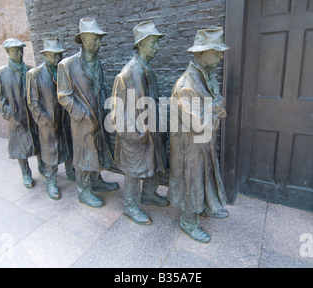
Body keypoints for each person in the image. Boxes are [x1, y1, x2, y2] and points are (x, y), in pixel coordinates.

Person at [168, 27, 230, 243]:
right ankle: (188, 220)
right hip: (190, 146)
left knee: (208, 174)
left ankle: (210, 205)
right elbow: (198, 122)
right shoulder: (186, 85)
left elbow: (214, 105)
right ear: (201, 54)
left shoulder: (208, 76)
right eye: (216, 51)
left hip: (203, 142)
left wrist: (214, 107)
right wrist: (216, 108)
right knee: (192, 180)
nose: (221, 56)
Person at [111, 21, 169, 226]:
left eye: (156, 43)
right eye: (153, 43)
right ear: (141, 44)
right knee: (134, 172)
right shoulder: (128, 73)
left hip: (151, 131)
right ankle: (130, 206)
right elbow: (117, 113)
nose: (157, 48)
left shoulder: (147, 70)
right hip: (135, 136)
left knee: (152, 165)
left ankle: (150, 194)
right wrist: (136, 134)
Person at [57, 18, 118, 207]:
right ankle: (83, 191)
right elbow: (63, 96)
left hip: (99, 115)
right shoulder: (67, 65)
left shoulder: (97, 61)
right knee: (84, 155)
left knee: (97, 150)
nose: (99, 43)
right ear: (83, 38)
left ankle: (97, 180)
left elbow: (99, 88)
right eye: (95, 39)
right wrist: (82, 115)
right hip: (82, 121)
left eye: (99, 39)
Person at [0, 38, 45, 189]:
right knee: (20, 147)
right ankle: (26, 173)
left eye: (21, 50)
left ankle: (42, 167)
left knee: (38, 141)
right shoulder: (0, 73)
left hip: (32, 114)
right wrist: (9, 114)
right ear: (7, 52)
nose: (19, 53)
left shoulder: (30, 69)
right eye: (15, 50)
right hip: (16, 116)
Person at [26, 38, 75, 200]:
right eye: (53, 55)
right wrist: (44, 120)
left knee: (68, 146)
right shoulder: (35, 74)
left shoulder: (63, 70)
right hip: (48, 121)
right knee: (50, 152)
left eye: (59, 54)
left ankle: (70, 172)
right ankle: (51, 181)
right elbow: (32, 102)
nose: (57, 58)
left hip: (64, 118)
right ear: (45, 54)